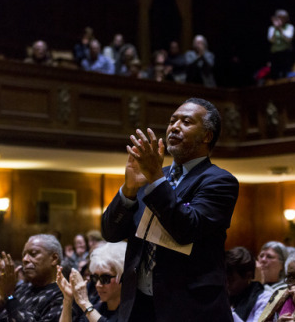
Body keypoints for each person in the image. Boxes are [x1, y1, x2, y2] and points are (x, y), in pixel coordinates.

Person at [101, 97, 239, 321]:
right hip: (138, 306)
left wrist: (155, 179)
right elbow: (110, 233)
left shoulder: (219, 181)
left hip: (189, 309)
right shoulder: (153, 175)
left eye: (186, 122)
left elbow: (186, 229)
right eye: (172, 121)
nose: (174, 126)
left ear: (207, 136)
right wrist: (129, 189)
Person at [0, 234, 64, 322]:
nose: (25, 259)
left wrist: (9, 296)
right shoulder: (20, 289)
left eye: (33, 254)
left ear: (54, 259)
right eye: (24, 255)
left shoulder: (64, 295)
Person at [57, 241, 127, 322]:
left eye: (105, 278)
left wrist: (85, 303)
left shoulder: (134, 310)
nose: (98, 284)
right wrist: (67, 300)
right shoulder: (96, 305)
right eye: (95, 278)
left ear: (123, 277)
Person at [225, 246, 270, 322]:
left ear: (248, 276)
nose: (226, 284)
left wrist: (228, 312)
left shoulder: (264, 299)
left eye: (231, 280)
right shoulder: (224, 296)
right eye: (224, 279)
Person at [267, 10, 295, 79]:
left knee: (285, 74)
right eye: (279, 18)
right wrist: (276, 28)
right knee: (275, 75)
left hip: (285, 53)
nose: (280, 19)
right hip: (275, 54)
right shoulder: (272, 28)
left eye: (283, 18)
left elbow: (288, 39)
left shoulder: (290, 27)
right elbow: (271, 40)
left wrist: (280, 29)